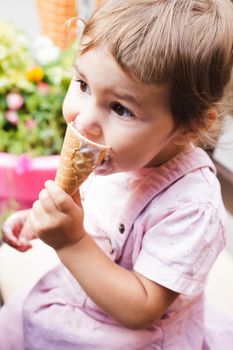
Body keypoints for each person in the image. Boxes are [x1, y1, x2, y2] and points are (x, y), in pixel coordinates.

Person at [1, 0, 233, 348]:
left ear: (189, 127)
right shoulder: (119, 154)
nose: (84, 121)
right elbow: (95, 215)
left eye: (120, 108)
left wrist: (72, 242)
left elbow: (142, 308)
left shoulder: (192, 207)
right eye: (82, 84)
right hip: (70, 303)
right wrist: (41, 219)